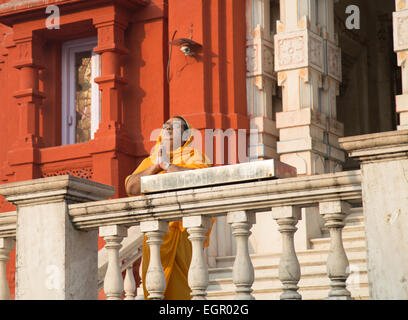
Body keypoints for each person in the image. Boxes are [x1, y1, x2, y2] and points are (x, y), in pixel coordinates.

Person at [125, 116, 213, 300]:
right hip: (155, 236)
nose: (168, 129)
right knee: (154, 289)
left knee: (183, 291)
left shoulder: (193, 156)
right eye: (165, 126)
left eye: (174, 127)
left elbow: (200, 177)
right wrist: (156, 167)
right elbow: (131, 186)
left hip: (183, 234)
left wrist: (168, 166)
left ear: (186, 135)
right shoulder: (151, 160)